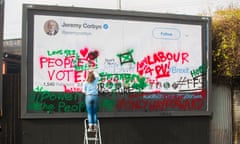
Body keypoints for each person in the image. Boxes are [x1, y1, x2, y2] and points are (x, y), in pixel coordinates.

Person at [82, 67, 99, 132]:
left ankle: (90, 127)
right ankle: (94, 127)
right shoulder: (95, 80)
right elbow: (97, 75)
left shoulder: (85, 82)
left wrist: (87, 93)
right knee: (94, 113)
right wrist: (93, 70)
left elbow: (83, 91)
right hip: (95, 97)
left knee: (89, 113)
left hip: (88, 97)